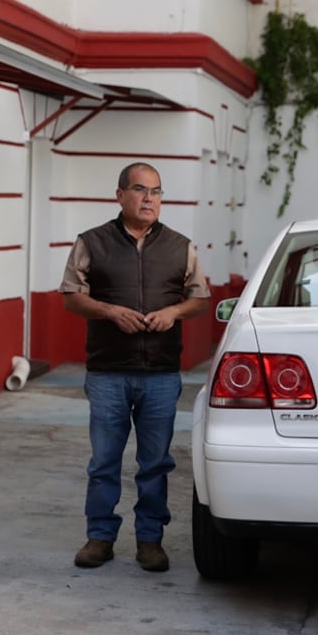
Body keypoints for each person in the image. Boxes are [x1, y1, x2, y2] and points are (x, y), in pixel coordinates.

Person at [60, 162, 211, 572]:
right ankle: (99, 537)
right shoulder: (91, 242)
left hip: (161, 373)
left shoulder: (181, 246)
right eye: (141, 190)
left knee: (156, 462)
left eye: (157, 192)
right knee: (104, 460)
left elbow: (200, 298)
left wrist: (173, 313)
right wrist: (109, 311)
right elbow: (71, 296)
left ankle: (150, 541)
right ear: (120, 195)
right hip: (108, 371)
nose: (150, 199)